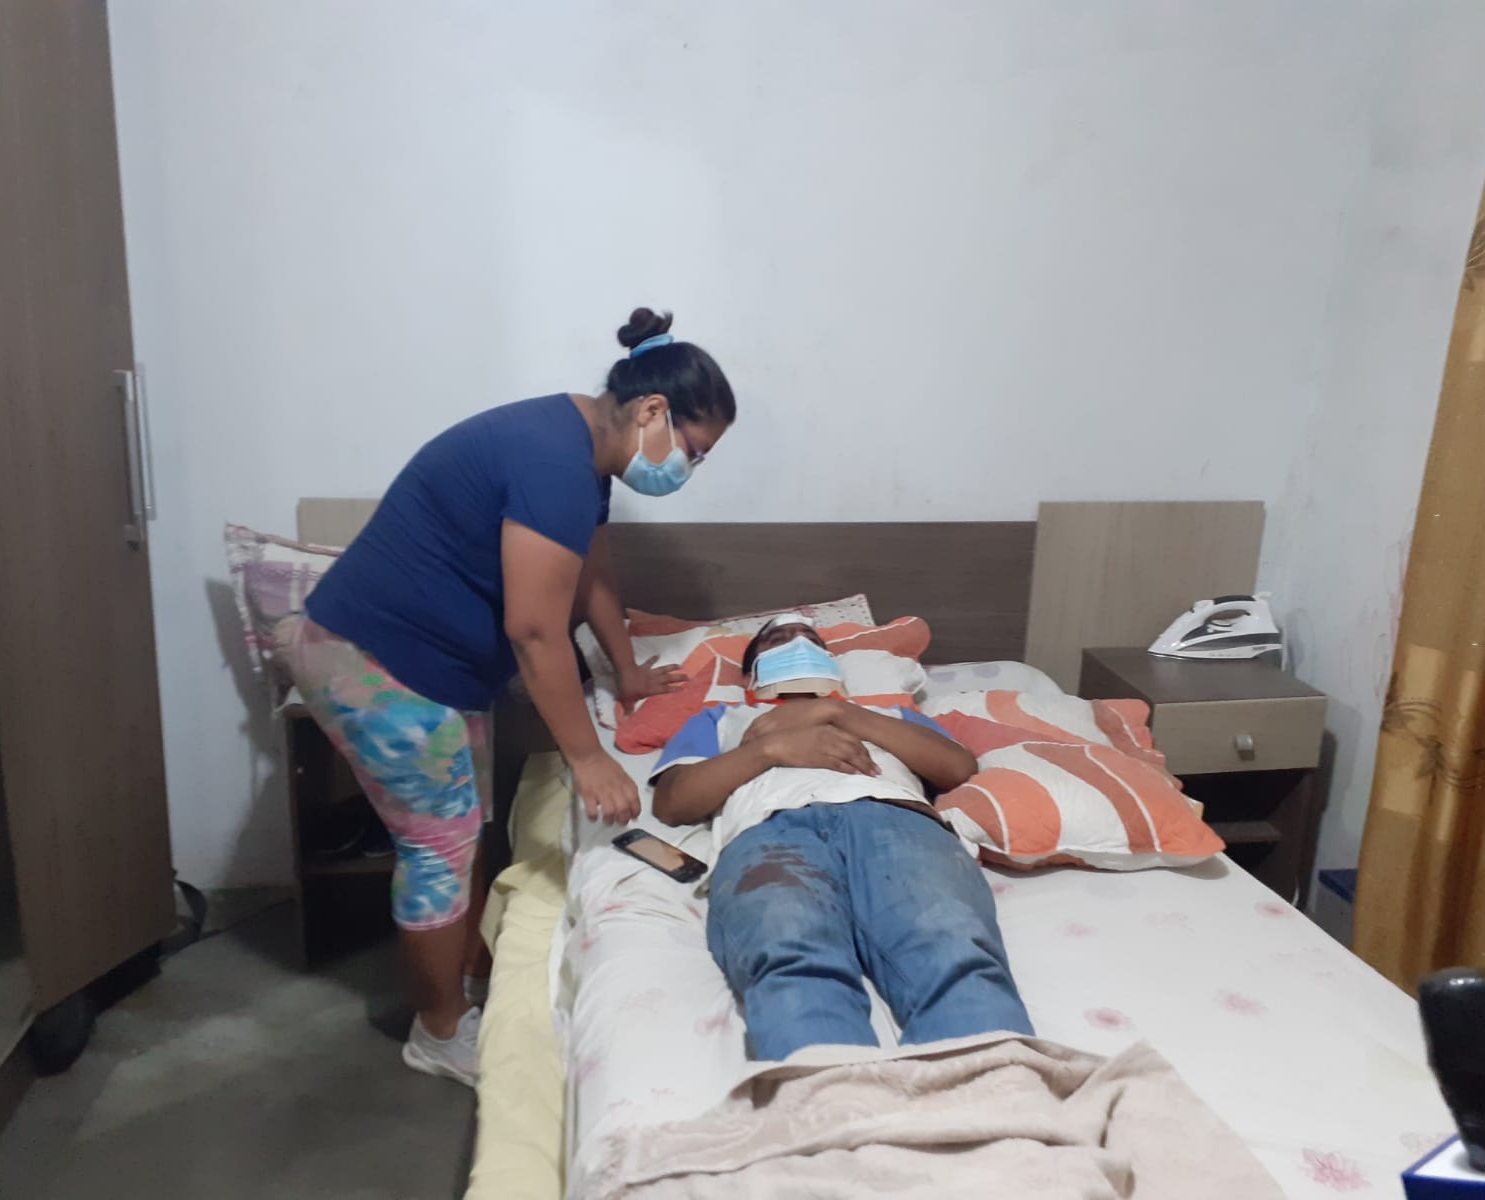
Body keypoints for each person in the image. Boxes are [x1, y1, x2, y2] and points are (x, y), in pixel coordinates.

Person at [289, 308, 734, 1083]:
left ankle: (460, 992)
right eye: (693, 451)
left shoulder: (583, 456)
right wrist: (587, 757)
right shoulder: (552, 463)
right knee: (439, 846)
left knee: (462, 831)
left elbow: (591, 575)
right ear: (653, 411)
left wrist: (627, 671)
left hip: (429, 666)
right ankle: (437, 1032)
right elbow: (533, 628)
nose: (689, 469)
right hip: (374, 660)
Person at [650, 615, 1033, 1062]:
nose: (797, 643)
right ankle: (828, 1094)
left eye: (811, 640)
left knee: (950, 942)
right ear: (752, 675)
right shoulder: (723, 718)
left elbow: (958, 768)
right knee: (787, 946)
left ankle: (992, 1087)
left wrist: (839, 713)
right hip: (770, 829)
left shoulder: (888, 715)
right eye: (779, 639)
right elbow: (673, 803)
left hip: (895, 818)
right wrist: (768, 750)